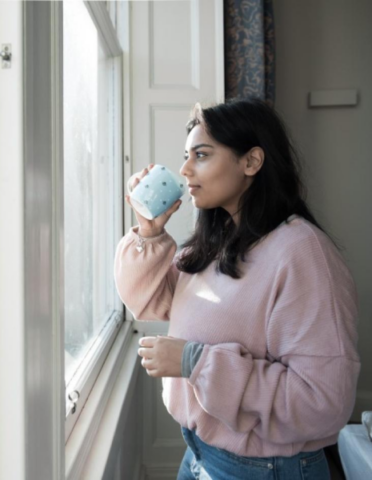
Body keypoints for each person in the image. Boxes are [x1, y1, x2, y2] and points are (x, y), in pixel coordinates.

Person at [114, 97, 360, 479]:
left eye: (202, 155)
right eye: (185, 155)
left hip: (264, 468)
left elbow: (324, 402)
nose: (184, 169)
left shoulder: (302, 254)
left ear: (251, 162)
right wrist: (149, 230)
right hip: (200, 454)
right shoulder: (216, 242)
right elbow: (152, 303)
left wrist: (196, 362)